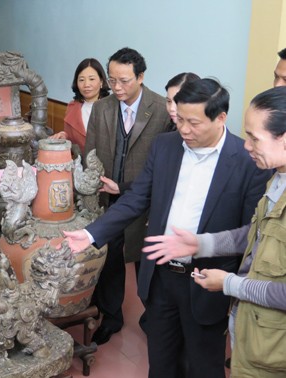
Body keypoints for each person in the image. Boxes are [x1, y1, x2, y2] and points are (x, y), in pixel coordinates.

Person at [63, 78, 271, 378]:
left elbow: (250, 234)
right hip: (160, 276)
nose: (184, 129)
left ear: (220, 117)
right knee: (160, 362)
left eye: (194, 122)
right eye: (180, 119)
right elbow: (136, 198)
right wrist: (91, 233)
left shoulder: (246, 161)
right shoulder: (165, 146)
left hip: (207, 279)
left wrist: (234, 286)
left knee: (204, 365)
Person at [143, 85, 286, 377]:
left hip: (272, 343)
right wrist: (200, 244)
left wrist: (229, 284)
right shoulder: (277, 180)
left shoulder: (258, 169)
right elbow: (253, 235)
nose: (246, 145)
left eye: (254, 138)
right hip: (252, 332)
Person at [84, 47, 171, 345]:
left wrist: (124, 186)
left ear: (141, 77)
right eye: (112, 80)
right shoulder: (102, 108)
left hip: (145, 201)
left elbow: (165, 166)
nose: (117, 88)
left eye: (124, 81)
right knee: (109, 259)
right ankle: (111, 317)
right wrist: (93, 183)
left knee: (147, 262)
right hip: (107, 200)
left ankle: (154, 318)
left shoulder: (161, 110)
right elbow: (91, 153)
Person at [50, 58, 110, 154]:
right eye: (81, 80)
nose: (86, 84)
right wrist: (64, 136)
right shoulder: (72, 107)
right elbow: (71, 139)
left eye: (92, 79)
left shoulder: (112, 107)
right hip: (81, 166)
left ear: (101, 82)